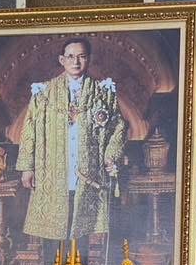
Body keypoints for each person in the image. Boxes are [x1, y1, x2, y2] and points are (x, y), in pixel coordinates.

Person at [15, 37, 127, 244]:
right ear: (62, 60)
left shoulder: (103, 92)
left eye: (81, 56)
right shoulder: (44, 92)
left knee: (81, 231)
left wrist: (110, 156)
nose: (76, 62)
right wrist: (27, 168)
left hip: (88, 170)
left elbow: (118, 126)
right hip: (52, 169)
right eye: (70, 56)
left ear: (89, 59)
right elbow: (29, 130)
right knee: (53, 231)